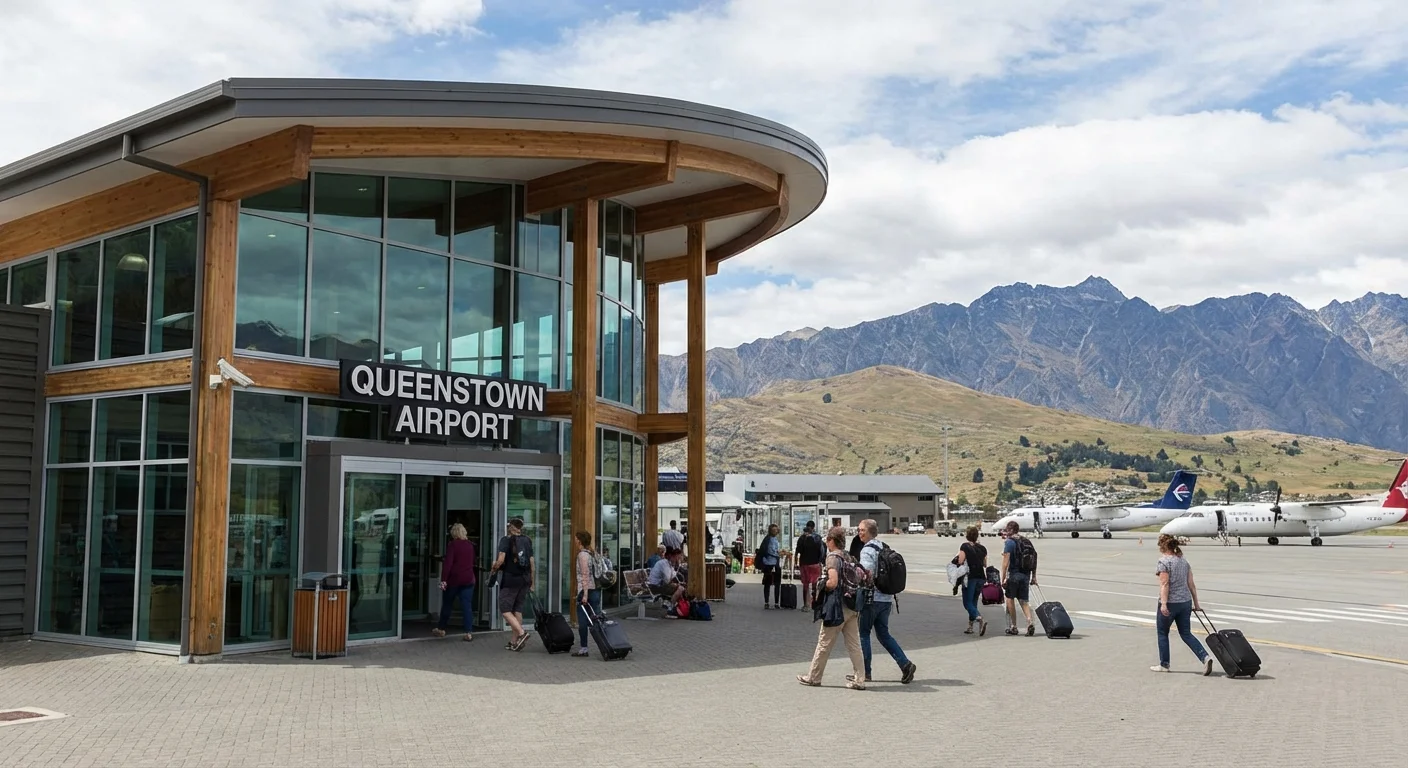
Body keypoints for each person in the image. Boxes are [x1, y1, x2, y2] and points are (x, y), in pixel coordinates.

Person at [796, 526, 866, 690]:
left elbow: (833, 582)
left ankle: (814, 677)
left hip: (837, 607)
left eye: (827, 539)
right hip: (852, 606)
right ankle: (860, 679)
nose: (826, 543)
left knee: (824, 643)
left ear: (832, 541)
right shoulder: (848, 556)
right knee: (854, 645)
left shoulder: (833, 558)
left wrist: (823, 585)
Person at [857, 519, 917, 684]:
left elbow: (866, 574)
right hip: (887, 598)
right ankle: (905, 664)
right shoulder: (884, 546)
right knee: (884, 634)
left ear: (869, 531)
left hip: (872, 598)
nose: (859, 532)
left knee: (863, 634)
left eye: (862, 530)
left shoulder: (867, 550)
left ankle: (865, 672)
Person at [1153, 534, 1214, 675]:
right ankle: (1205, 657)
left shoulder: (1164, 562)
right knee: (1186, 633)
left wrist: (1163, 604)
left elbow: (1165, 584)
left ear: (1163, 546)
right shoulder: (1184, 561)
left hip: (1171, 603)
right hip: (1185, 602)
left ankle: (1164, 664)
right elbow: (1191, 584)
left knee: (1162, 633)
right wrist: (1196, 604)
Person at [489, 517, 535, 651]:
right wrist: (532, 582)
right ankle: (514, 641)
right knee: (517, 609)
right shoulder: (527, 540)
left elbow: (501, 559)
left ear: (511, 527)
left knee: (505, 610)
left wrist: (494, 567)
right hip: (525, 579)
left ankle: (522, 633)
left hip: (511, 579)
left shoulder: (505, 540)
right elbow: (532, 563)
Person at [432, 523, 477, 641]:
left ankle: (441, 629)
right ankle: (468, 632)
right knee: (467, 606)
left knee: (447, 604)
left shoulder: (453, 545)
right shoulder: (470, 545)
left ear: (454, 533)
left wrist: (443, 580)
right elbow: (472, 561)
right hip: (468, 579)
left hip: (454, 579)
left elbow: (448, 564)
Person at [1001, 520, 1036, 636]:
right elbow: (1034, 557)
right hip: (1026, 575)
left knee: (1010, 599)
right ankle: (1030, 621)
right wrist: (1034, 577)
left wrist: (1003, 578)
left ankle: (1014, 626)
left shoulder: (1009, 542)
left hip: (1014, 574)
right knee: (1024, 601)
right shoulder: (1027, 541)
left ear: (1009, 530)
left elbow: (1005, 562)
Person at [572, 530, 602, 658]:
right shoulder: (593, 553)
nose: (574, 540)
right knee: (595, 619)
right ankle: (605, 642)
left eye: (575, 538)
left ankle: (584, 648)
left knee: (583, 622)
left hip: (586, 591)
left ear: (579, 540)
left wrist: (584, 595)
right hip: (595, 590)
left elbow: (585, 575)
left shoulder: (582, 555)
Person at [956, 526, 987, 636]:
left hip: (970, 577)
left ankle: (979, 618)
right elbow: (985, 564)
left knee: (967, 602)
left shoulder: (965, 546)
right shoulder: (982, 548)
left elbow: (960, 561)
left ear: (967, 535)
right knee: (973, 602)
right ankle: (970, 627)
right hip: (981, 577)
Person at [795, 521, 825, 611]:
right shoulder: (818, 538)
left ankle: (806, 605)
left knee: (805, 585)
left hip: (804, 564)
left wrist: (796, 562)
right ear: (813, 527)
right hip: (815, 564)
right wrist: (821, 561)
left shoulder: (802, 538)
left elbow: (798, 551)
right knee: (815, 584)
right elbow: (822, 551)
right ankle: (814, 603)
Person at [647, 548, 686, 616]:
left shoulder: (669, 564)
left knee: (680, 587)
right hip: (655, 587)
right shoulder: (664, 564)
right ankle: (670, 608)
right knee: (680, 589)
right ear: (675, 556)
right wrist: (676, 583)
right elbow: (667, 580)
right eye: (679, 558)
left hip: (658, 585)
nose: (679, 560)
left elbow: (673, 576)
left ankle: (676, 606)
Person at [758, 523, 782, 609]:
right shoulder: (768, 539)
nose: (775, 531)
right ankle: (767, 602)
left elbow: (775, 550)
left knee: (777, 584)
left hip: (775, 563)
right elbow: (770, 551)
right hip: (769, 564)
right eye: (774, 530)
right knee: (768, 584)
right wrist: (778, 554)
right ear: (770, 531)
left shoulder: (774, 539)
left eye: (776, 530)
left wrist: (779, 553)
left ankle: (776, 602)